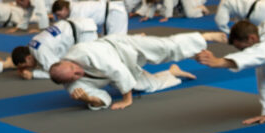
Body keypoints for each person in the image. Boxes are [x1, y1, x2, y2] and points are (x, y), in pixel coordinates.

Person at [49, 32, 223, 110]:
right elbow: (104, 99)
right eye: (74, 76)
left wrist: (127, 99)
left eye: (73, 68)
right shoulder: (74, 88)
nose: (78, 72)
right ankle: (173, 72)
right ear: (67, 83)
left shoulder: (81, 52)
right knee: (149, 86)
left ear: (66, 61)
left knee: (164, 48)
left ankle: (204, 37)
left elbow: (116, 69)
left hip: (122, 47)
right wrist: (89, 99)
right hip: (122, 71)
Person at [11, 17, 99, 80]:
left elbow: (57, 71)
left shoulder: (40, 51)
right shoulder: (33, 44)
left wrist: (33, 74)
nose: (29, 68)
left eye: (26, 66)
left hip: (84, 33)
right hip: (78, 24)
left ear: (28, 58)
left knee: (93, 67)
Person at [52, 0, 128, 36]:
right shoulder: (73, 8)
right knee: (107, 42)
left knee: (117, 42)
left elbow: (83, 31)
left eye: (59, 15)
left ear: (65, 9)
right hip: (108, 16)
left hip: (115, 14)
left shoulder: (78, 12)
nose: (59, 18)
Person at [137, 0, 207, 22]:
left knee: (189, 15)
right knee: (183, 15)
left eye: (153, 1)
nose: (153, 3)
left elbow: (169, 5)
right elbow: (152, 6)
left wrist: (167, 17)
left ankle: (201, 8)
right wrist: (148, 16)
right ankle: (198, 9)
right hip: (178, 0)